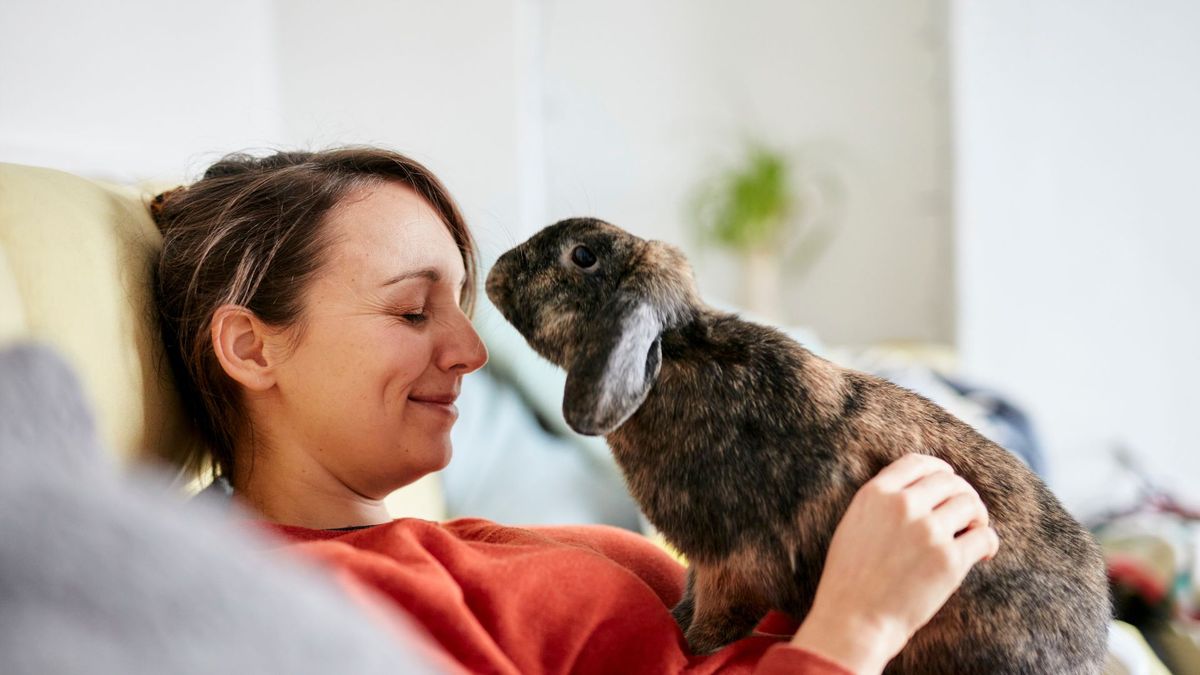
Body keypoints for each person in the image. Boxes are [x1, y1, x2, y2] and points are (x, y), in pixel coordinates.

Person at [151, 148, 999, 675]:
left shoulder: (460, 549)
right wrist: (859, 626)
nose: (471, 352)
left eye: (459, 309)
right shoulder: (313, 607)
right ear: (252, 347)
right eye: (413, 312)